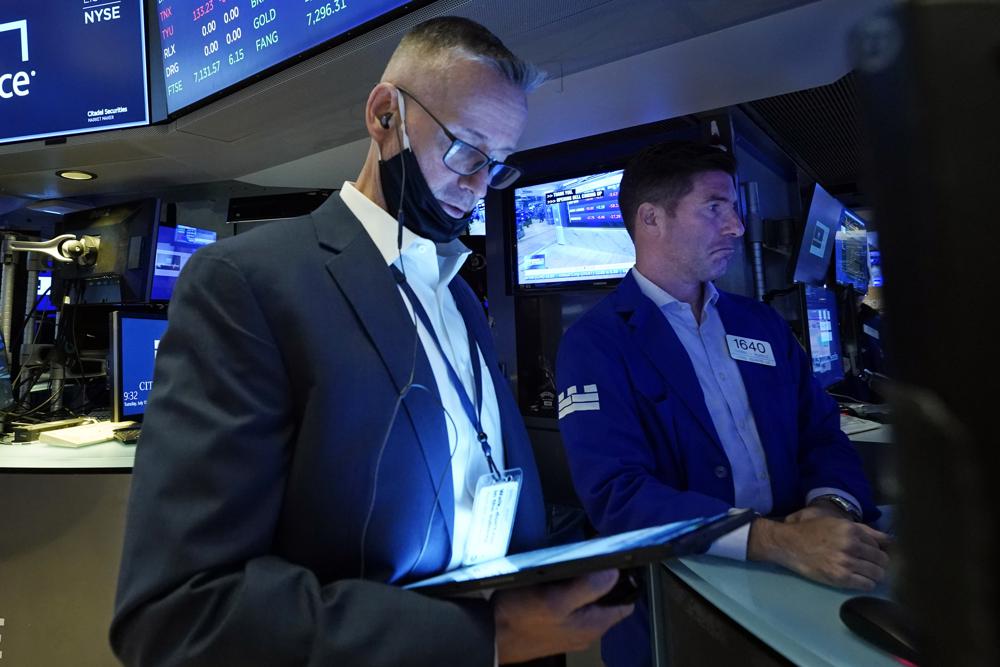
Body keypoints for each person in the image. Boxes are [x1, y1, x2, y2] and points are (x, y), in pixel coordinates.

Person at [110, 17, 632, 667]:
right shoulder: (248, 283)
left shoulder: (460, 296)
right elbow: (179, 611)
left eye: (497, 166)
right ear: (386, 115)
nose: (478, 186)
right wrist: (489, 637)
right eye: (466, 150)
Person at [555, 141, 891, 666]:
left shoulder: (759, 322)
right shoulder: (595, 343)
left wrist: (827, 511)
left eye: (733, 208)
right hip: (675, 599)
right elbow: (618, 495)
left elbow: (821, 432)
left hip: (796, 580)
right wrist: (775, 541)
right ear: (651, 219)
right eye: (714, 207)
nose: (736, 226)